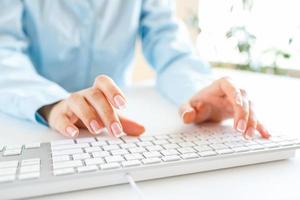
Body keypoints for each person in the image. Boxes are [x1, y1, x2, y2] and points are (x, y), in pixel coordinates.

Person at [0, 0, 270, 139]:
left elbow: (167, 42)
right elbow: (4, 49)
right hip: (32, 121)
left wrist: (198, 93)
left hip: (115, 127)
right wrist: (52, 103)